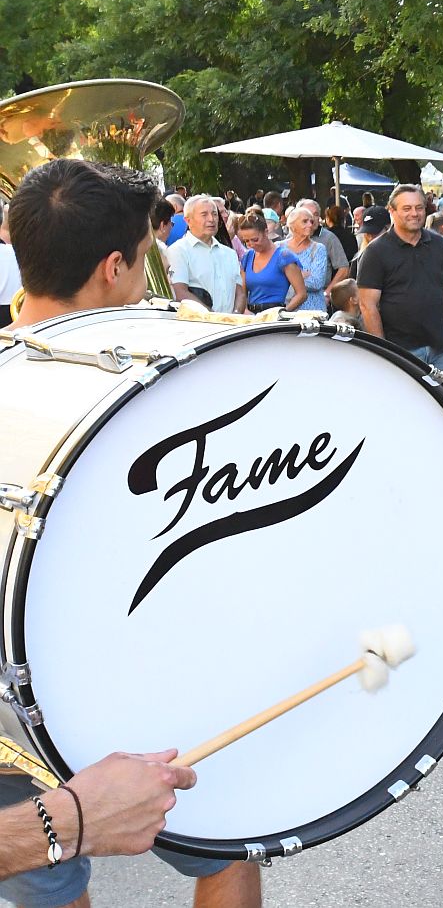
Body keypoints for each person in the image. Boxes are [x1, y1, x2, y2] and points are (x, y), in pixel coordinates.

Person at [5, 157, 262, 908]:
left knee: (50, 887)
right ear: (114, 265)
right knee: (227, 847)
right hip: (160, 672)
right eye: (144, 260)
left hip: (13, 707)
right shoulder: (170, 371)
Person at [357, 185, 443, 372]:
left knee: (439, 401)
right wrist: (383, 351)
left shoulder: (439, 245)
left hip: (439, 349)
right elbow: (367, 305)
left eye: (419, 207)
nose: (414, 213)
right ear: (392, 211)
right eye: (406, 208)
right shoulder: (376, 252)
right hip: (399, 351)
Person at [169, 196, 240, 312]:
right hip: (200, 325)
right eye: (204, 214)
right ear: (188, 220)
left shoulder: (230, 253)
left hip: (232, 325)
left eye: (215, 214)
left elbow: (240, 291)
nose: (211, 219)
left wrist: (236, 315)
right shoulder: (178, 251)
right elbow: (180, 293)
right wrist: (212, 318)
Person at [236, 213, 306, 312]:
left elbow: (301, 294)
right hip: (251, 315)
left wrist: (283, 313)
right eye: (246, 241)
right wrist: (245, 310)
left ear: (266, 232)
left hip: (275, 313)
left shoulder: (284, 256)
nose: (251, 244)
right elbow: (242, 293)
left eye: (255, 240)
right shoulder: (248, 257)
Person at [280, 205, 332, 313]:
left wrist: (288, 276)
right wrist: (300, 275)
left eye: (311, 222)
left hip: (312, 311)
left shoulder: (318, 249)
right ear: (292, 225)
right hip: (284, 309)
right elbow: (274, 278)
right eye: (305, 221)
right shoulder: (279, 247)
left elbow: (317, 282)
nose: (310, 225)